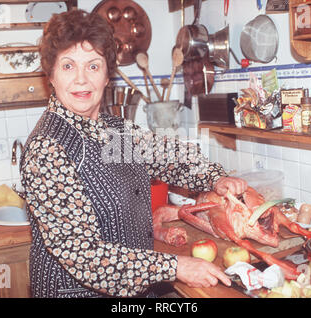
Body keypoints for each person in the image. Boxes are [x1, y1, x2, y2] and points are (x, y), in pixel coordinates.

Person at [20, 9, 247, 298]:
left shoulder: (112, 130)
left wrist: (215, 178)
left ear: (107, 76)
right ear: (50, 75)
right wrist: (174, 267)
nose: (81, 80)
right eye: (68, 66)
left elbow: (170, 157)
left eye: (93, 66)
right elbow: (84, 255)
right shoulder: (48, 149)